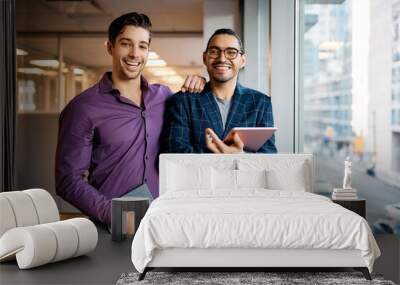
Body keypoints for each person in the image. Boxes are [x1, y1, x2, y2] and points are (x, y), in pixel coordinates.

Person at [55, 12, 205, 226]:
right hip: (112, 227)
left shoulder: (165, 97)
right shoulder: (82, 108)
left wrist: (201, 81)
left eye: (142, 46)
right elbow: (67, 181)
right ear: (110, 47)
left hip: (163, 221)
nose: (135, 53)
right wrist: (116, 215)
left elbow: (198, 128)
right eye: (126, 44)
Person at [161, 28, 277, 154]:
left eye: (231, 52)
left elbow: (268, 156)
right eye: (214, 51)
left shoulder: (261, 103)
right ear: (205, 58)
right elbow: (174, 152)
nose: (222, 58)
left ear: (242, 61)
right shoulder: (183, 101)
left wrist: (240, 155)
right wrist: (223, 152)